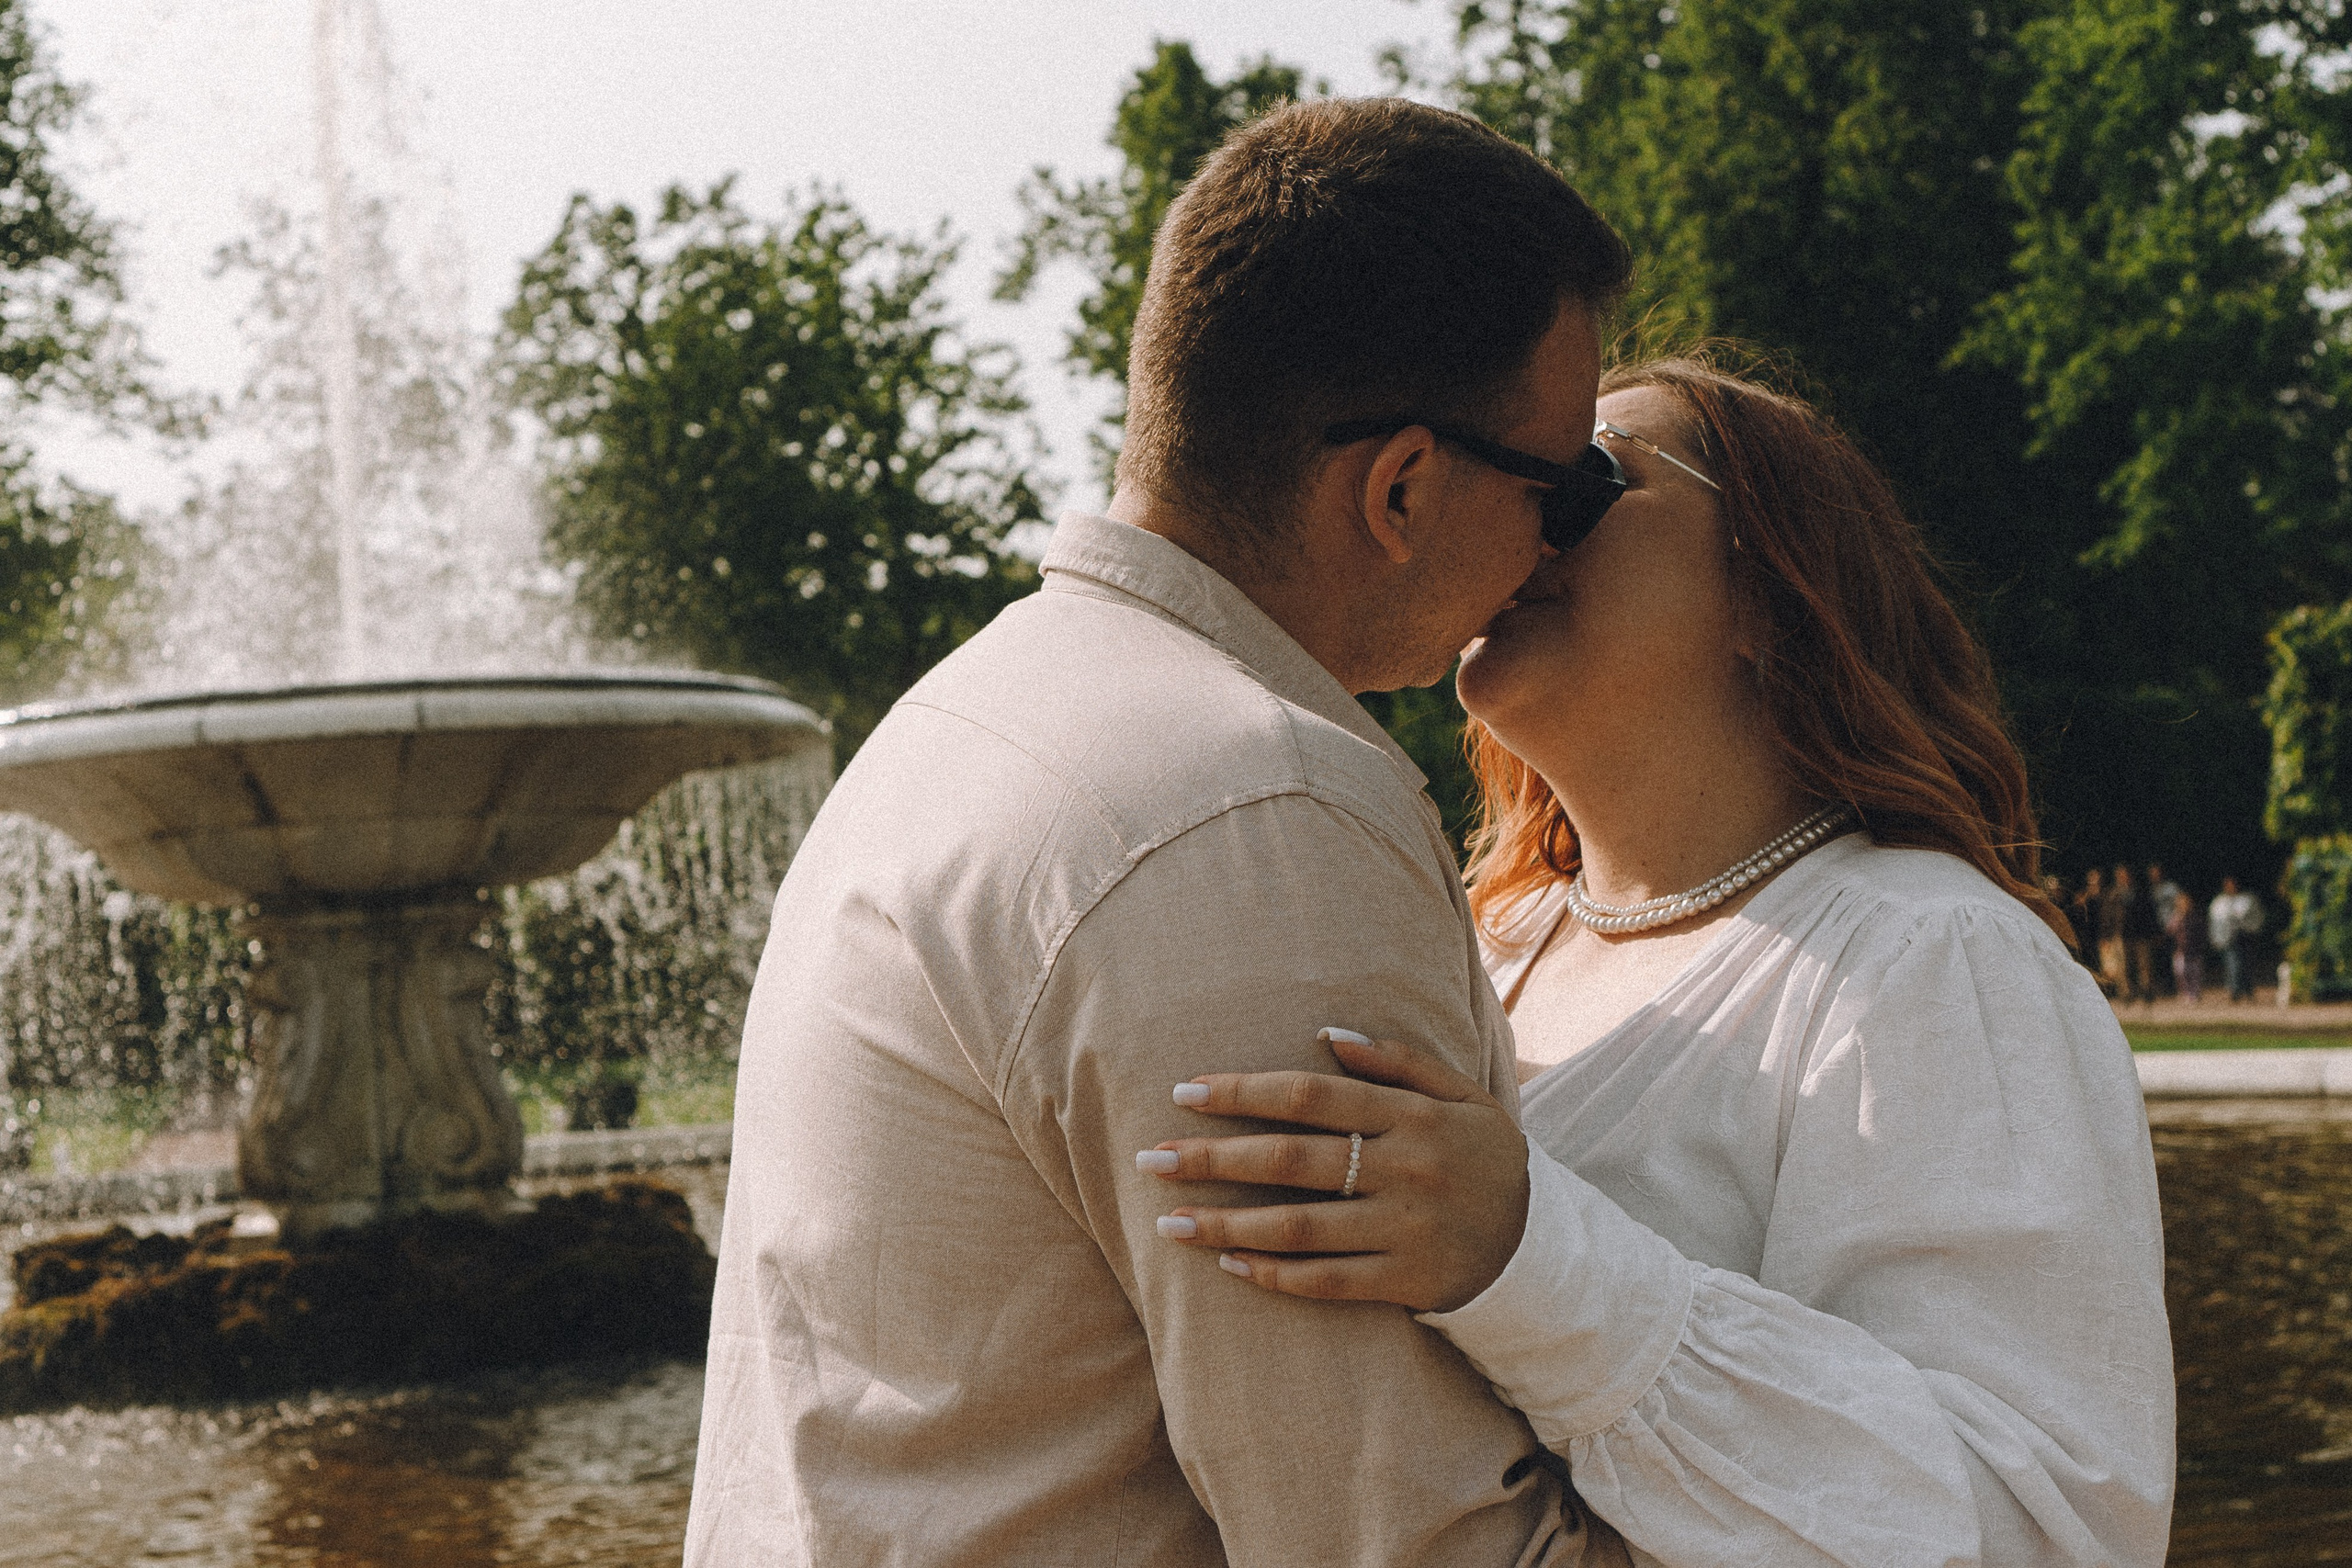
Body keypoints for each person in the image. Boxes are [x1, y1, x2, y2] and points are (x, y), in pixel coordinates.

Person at [687, 98, 1641, 1565]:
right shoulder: (1258, 815)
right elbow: (1409, 1537)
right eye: (1568, 491)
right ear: (1399, 487)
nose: (1565, 546)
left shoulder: (961, 723)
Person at [1144, 357, 2174, 1566]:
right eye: (1505, 475)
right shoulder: (1474, 941)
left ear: (1772, 588)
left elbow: (2038, 1525)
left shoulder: (1936, 957)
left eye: (1580, 480)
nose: (1513, 519)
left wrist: (1529, 1251)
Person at [2210, 874, 2265, 1001]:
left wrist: (2253, 929)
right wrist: (2216, 938)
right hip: (2228, 938)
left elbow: (2257, 917)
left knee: (2247, 964)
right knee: (2233, 964)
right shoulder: (2219, 903)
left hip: (2246, 936)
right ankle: (2235, 991)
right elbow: (2215, 922)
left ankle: (2248, 990)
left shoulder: (2247, 899)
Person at [2166, 883, 2204, 1002]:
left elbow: (2200, 932)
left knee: (2194, 972)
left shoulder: (2195, 916)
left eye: (2186, 903)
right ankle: (2185, 992)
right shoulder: (2176, 916)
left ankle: (2195, 993)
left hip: (2194, 949)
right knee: (2180, 971)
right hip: (2180, 949)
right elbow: (2169, 930)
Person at [2069, 867, 2106, 984]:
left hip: (2102, 933)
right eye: (2091, 877)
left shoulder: (2105, 893)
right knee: (2090, 962)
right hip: (2087, 935)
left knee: (2105, 964)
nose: (2093, 880)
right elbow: (2077, 915)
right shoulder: (2084, 895)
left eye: (2096, 877)